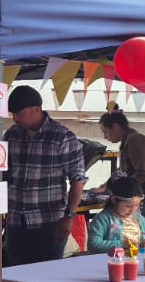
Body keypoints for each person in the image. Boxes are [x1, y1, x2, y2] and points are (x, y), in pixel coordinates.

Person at [5, 87, 88, 266]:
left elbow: (78, 179)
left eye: (19, 113)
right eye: (13, 114)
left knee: (48, 275)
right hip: (16, 221)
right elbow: (4, 173)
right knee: (15, 275)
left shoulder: (62, 137)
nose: (15, 118)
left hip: (50, 223)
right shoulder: (11, 135)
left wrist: (69, 216)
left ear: (36, 109)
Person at [86, 177, 145, 254]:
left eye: (136, 205)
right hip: (111, 260)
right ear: (114, 200)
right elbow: (93, 244)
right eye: (128, 206)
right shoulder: (103, 219)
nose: (132, 210)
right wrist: (122, 244)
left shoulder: (140, 220)